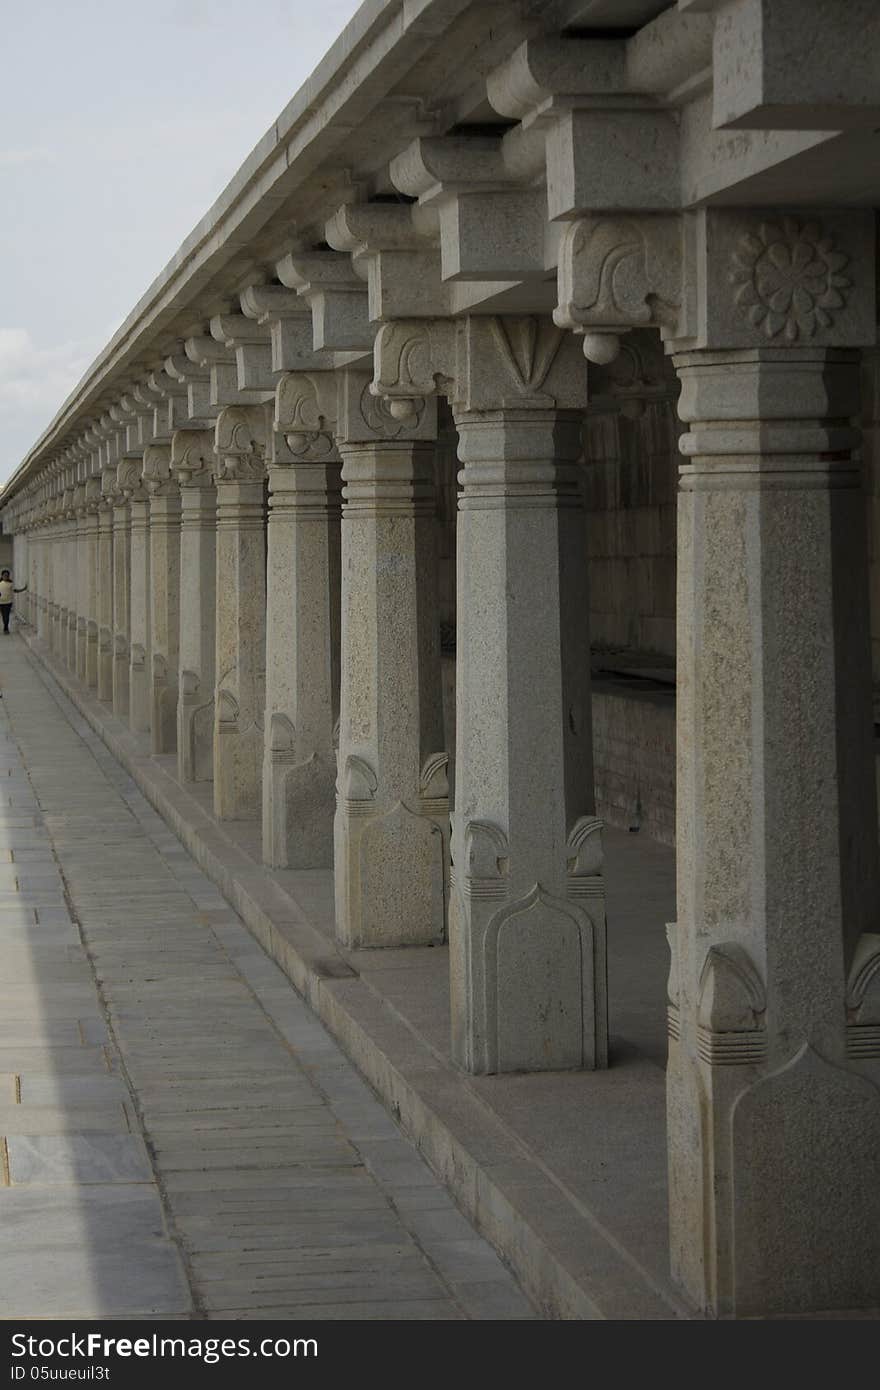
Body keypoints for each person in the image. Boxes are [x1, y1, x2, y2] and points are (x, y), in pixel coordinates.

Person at [0, 570, 26, 635]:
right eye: (4, 575)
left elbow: (15, 590)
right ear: (2, 576)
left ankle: (6, 628)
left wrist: (23, 589)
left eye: (7, 575)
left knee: (6, 616)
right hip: (1, 602)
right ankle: (5, 627)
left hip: (8, 602)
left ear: (8, 576)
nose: (5, 576)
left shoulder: (10, 583)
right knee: (3, 616)